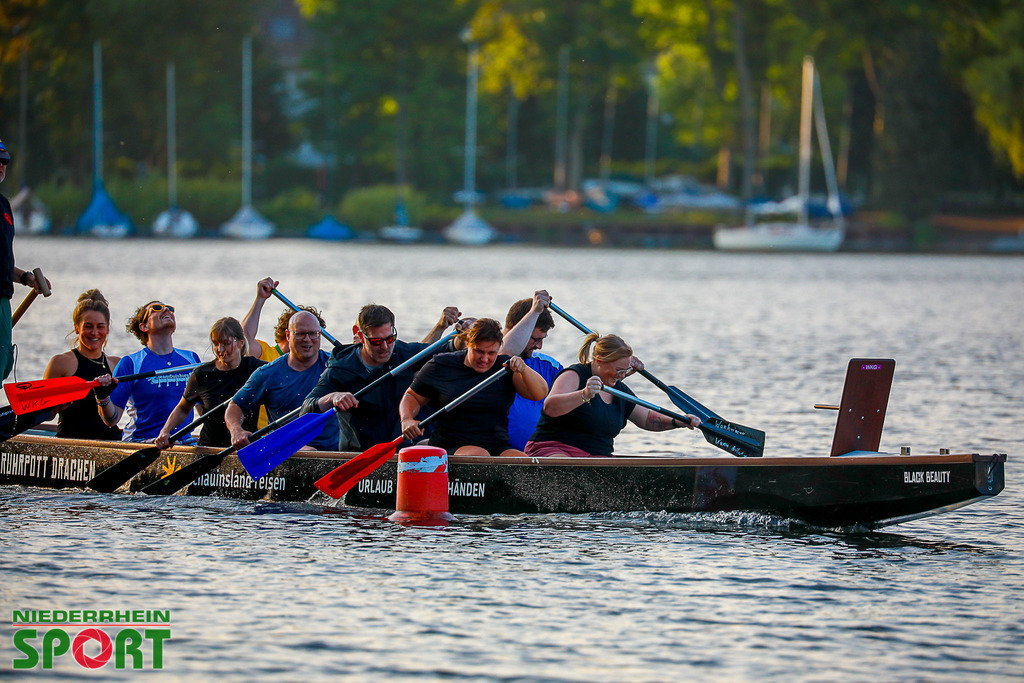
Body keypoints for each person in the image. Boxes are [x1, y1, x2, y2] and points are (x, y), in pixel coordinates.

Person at [301, 303, 464, 450]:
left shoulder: (403, 353)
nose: (385, 347)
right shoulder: (341, 367)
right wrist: (332, 397)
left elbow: (447, 348)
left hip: (399, 451)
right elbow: (307, 408)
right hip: (357, 454)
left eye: (390, 339)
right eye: (376, 341)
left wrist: (463, 337)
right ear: (359, 335)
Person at [525, 333, 701, 457]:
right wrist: (584, 394)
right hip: (554, 450)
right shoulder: (574, 375)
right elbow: (550, 407)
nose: (622, 376)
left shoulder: (619, 391)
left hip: (597, 459)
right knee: (568, 466)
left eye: (625, 371)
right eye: (618, 370)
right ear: (600, 360)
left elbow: (647, 419)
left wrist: (679, 421)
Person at [399, 318, 548, 457]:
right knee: (479, 455)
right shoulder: (441, 364)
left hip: (495, 445)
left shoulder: (505, 367)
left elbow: (540, 393)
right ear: (469, 342)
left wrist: (524, 370)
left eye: (491, 353)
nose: (484, 359)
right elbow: (412, 396)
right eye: (479, 351)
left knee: (525, 463)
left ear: (499, 348)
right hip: (450, 445)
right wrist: (407, 419)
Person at [227, 310, 339, 450]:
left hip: (333, 455)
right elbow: (235, 406)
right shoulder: (267, 374)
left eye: (312, 334)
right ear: (288, 335)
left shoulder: (337, 366)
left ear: (319, 335)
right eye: (300, 334)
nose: (307, 339)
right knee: (308, 450)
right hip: (286, 453)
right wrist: (236, 431)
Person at [154, 317, 265, 449]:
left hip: (246, 444)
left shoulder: (257, 370)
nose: (220, 349)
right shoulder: (202, 374)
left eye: (226, 343)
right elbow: (183, 408)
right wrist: (166, 431)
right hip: (209, 448)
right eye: (216, 343)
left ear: (241, 343)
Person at [102, 301, 202, 442]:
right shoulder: (131, 364)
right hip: (142, 443)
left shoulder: (191, 359)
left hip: (183, 443)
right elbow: (112, 420)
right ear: (144, 326)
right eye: (156, 308)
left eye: (169, 308)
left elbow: (205, 411)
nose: (167, 309)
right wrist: (102, 397)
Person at [0, 138, 50, 380]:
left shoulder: (4, 206)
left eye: (5, 162)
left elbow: (3, 262)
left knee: (1, 360)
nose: (1, 166)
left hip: (3, 297)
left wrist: (26, 278)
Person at [42, 289, 122, 440]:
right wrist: (54, 408)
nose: (94, 332)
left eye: (100, 326)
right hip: (71, 443)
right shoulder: (61, 363)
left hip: (111, 442)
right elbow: (41, 413)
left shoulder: (117, 364)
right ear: (77, 327)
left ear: (107, 329)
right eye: (88, 326)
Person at [500, 290, 563, 451]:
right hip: (495, 452)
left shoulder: (550, 367)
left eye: (542, 340)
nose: (539, 346)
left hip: (539, 455)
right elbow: (503, 353)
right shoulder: (486, 360)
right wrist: (534, 311)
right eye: (536, 339)